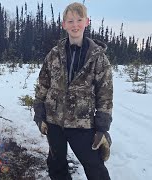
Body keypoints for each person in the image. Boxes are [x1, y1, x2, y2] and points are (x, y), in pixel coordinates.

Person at [33, 2, 113, 180]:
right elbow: (43, 85)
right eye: (70, 21)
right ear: (64, 25)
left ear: (87, 22)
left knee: (94, 165)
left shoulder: (98, 57)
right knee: (56, 163)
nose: (75, 25)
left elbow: (105, 95)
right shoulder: (53, 54)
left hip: (82, 123)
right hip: (54, 121)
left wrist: (101, 128)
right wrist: (39, 114)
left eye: (79, 20)